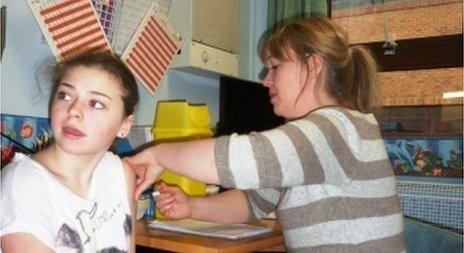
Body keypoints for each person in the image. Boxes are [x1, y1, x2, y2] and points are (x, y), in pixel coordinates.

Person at [126, 18, 405, 252]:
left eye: (275, 66)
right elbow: (251, 203)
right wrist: (192, 207)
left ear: (313, 65)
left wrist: (159, 154)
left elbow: (239, 159)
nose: (266, 79)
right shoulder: (324, 137)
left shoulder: (336, 130)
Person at [1, 53, 139, 252]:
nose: (74, 110)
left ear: (124, 125)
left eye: (96, 103)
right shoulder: (24, 184)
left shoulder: (120, 174)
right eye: (65, 95)